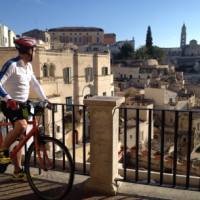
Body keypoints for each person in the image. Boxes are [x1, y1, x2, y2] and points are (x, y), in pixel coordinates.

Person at [0, 36, 50, 180]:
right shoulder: (12, 65)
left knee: (22, 139)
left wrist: (45, 99)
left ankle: (17, 171)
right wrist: (8, 98)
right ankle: (3, 151)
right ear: (28, 51)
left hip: (23, 105)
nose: (34, 52)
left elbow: (35, 84)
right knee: (21, 126)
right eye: (33, 49)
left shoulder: (27, 66)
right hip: (9, 103)